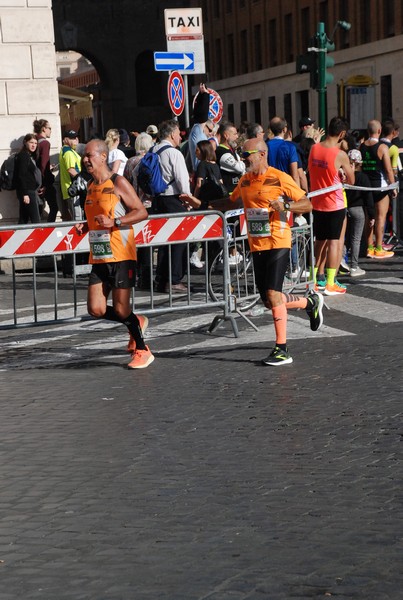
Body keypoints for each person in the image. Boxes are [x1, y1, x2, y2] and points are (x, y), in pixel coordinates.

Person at [229, 138, 323, 366]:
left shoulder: (279, 177)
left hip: (278, 240)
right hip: (257, 245)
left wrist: (287, 206)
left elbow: (307, 203)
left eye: (246, 154)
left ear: (261, 154)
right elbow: (232, 202)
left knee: (273, 294)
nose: (243, 159)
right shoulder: (245, 180)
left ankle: (282, 348)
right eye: (241, 155)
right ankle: (309, 303)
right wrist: (203, 203)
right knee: (269, 300)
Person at [77, 138, 153, 369]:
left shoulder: (118, 182)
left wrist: (115, 221)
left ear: (102, 156)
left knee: (121, 310)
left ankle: (143, 350)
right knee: (96, 309)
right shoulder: (91, 186)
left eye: (90, 155)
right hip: (99, 255)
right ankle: (135, 320)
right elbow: (99, 217)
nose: (85, 160)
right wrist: (87, 225)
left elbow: (141, 212)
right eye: (84, 156)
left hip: (121, 254)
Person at [308, 116, 355, 295]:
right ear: (342, 133)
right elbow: (352, 179)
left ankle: (313, 281)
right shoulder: (340, 154)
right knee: (334, 242)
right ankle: (330, 283)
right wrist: (343, 172)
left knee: (319, 242)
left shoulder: (314, 148)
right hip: (335, 204)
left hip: (317, 203)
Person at [152, 119, 198, 293]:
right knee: (179, 241)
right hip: (173, 200)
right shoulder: (174, 153)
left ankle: (161, 279)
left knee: (164, 241)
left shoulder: (153, 149)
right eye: (179, 133)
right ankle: (174, 280)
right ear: (172, 134)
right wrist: (188, 201)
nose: (180, 137)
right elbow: (182, 180)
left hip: (158, 200)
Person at [360, 119, 396, 259]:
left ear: (368, 131)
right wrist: (393, 186)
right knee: (381, 217)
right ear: (379, 131)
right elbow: (388, 169)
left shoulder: (361, 147)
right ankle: (379, 248)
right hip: (380, 188)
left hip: (365, 187)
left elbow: (359, 166)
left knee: (369, 217)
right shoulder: (382, 147)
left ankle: (369, 247)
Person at [345, 149, 375, 277]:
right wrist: (372, 215)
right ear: (360, 163)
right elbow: (368, 196)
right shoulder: (363, 177)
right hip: (358, 209)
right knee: (356, 238)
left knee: (344, 238)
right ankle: (354, 266)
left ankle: (342, 262)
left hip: (346, 208)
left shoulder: (344, 176)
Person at [33, 119, 58, 221]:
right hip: (43, 181)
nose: (50, 131)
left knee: (37, 210)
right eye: (49, 128)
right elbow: (43, 165)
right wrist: (45, 184)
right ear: (44, 129)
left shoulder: (34, 141)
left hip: (34, 180)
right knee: (54, 208)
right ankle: (48, 231)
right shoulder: (45, 143)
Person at [15, 133, 42, 224]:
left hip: (28, 191)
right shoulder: (24, 156)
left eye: (35, 143)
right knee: (36, 220)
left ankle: (18, 237)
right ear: (25, 142)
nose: (33, 145)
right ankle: (39, 237)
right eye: (31, 142)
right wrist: (25, 194)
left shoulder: (29, 156)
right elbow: (21, 175)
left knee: (23, 220)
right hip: (28, 192)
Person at [266, 116, 299, 185]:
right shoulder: (290, 147)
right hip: (286, 187)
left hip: (270, 187)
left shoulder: (265, 146)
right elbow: (295, 175)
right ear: (284, 130)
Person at [59, 129, 81, 220]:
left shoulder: (66, 150)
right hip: (74, 190)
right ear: (65, 140)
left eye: (76, 138)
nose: (75, 140)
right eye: (72, 138)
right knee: (77, 219)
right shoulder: (68, 152)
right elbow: (71, 170)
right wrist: (83, 181)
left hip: (71, 190)